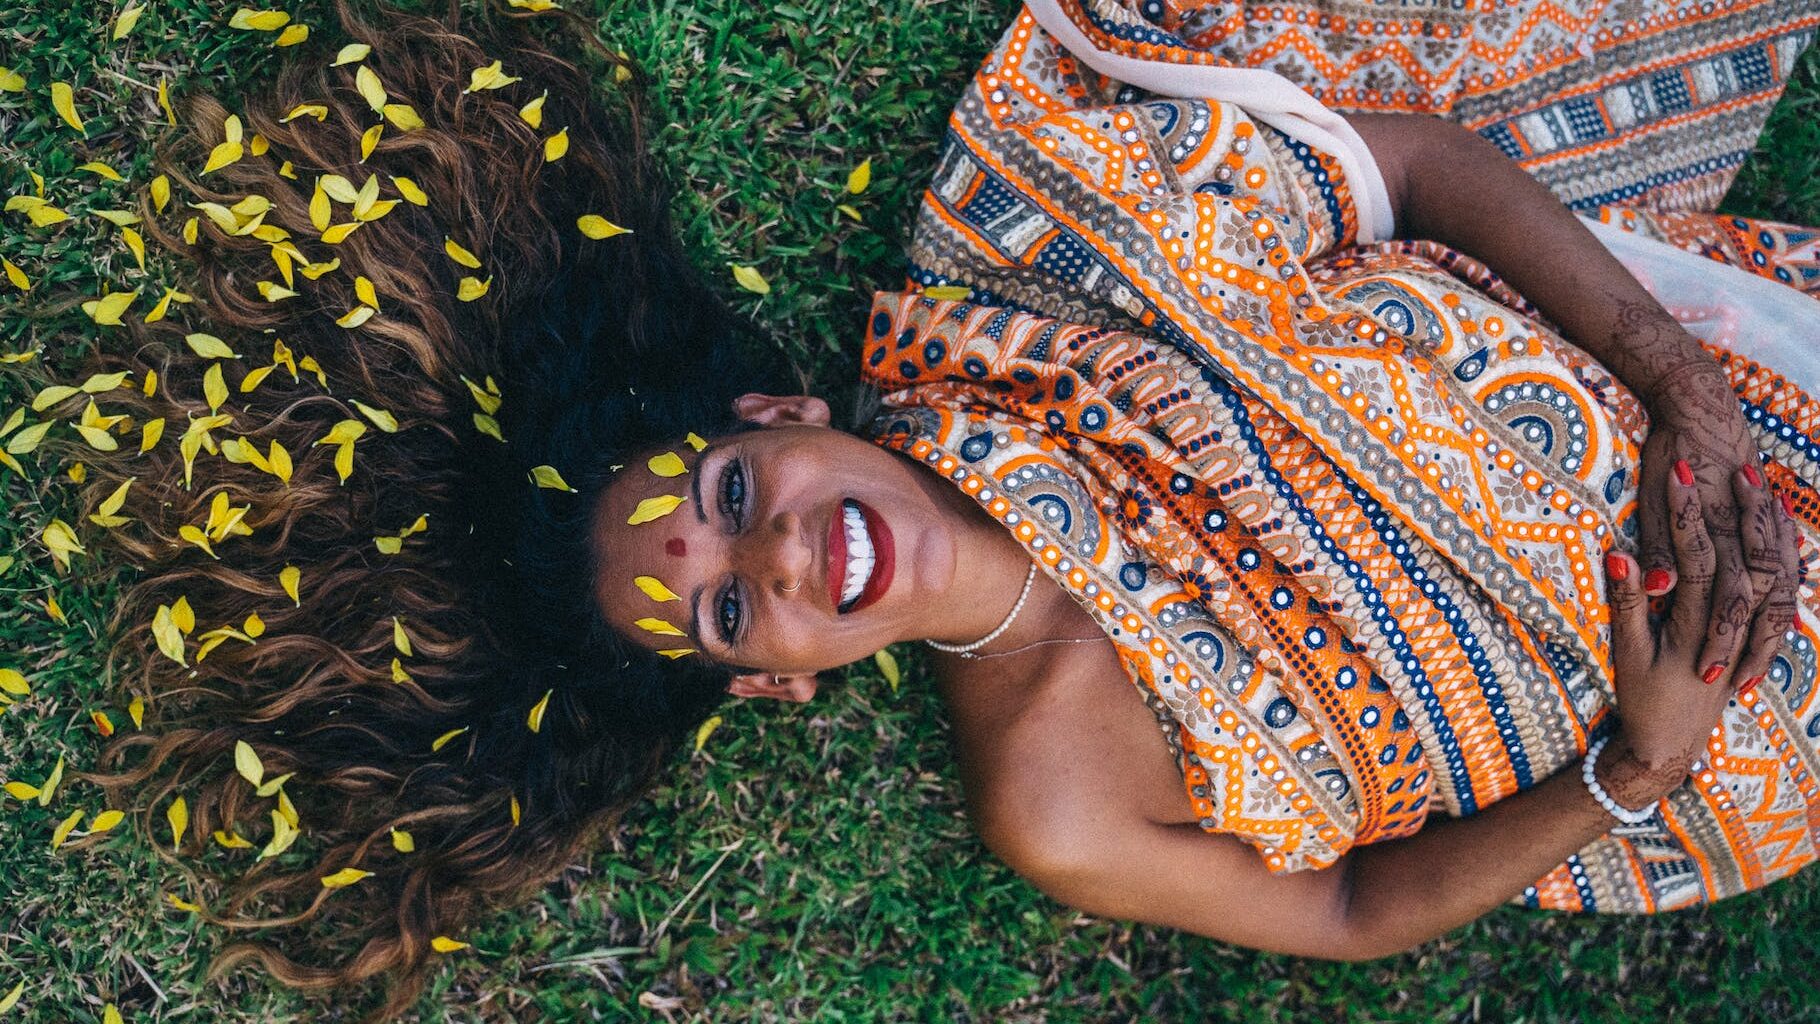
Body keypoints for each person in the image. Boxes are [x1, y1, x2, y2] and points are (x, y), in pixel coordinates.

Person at [41, 0, 1814, 1015]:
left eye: (736, 494)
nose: (790, 551)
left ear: (782, 415)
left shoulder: (1047, 290)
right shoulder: (1056, 804)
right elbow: (1356, 911)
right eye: (735, 604)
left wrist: (1674, 378)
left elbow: (1411, 166)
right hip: (1730, 731)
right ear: (777, 680)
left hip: (1733, 413)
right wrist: (1638, 767)